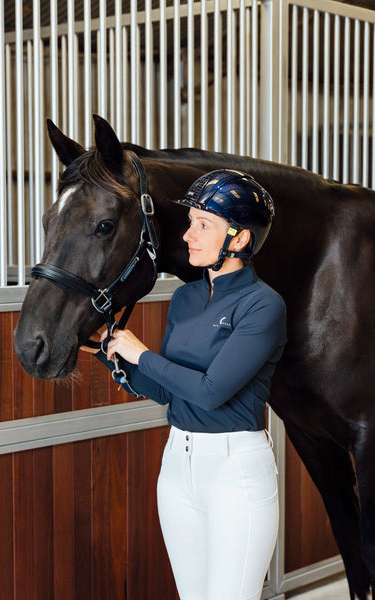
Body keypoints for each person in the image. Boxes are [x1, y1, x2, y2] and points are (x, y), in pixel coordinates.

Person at [81, 169, 287, 600]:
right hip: (177, 465)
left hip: (235, 472)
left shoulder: (263, 306)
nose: (188, 235)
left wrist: (141, 353)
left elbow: (211, 391)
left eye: (203, 225)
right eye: (191, 222)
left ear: (240, 239)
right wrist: (108, 350)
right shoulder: (185, 298)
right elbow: (164, 389)